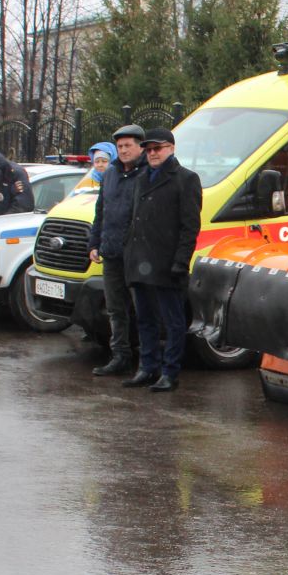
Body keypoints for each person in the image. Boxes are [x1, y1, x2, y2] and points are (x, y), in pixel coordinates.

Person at [121, 127, 202, 392]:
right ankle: (147, 367)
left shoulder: (185, 179)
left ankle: (170, 372)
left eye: (158, 148)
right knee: (144, 319)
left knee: (173, 321)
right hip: (140, 261)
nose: (153, 153)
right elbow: (134, 219)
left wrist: (181, 262)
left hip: (167, 264)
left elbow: (190, 226)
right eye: (150, 149)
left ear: (171, 148)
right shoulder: (142, 177)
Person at [87, 126, 146, 377]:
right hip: (111, 253)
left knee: (143, 310)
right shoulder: (110, 173)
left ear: (140, 146)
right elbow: (102, 209)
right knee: (115, 309)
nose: (123, 150)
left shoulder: (147, 174)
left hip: (138, 255)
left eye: (128, 146)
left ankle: (147, 360)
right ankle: (120, 355)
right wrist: (94, 242)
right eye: (120, 147)